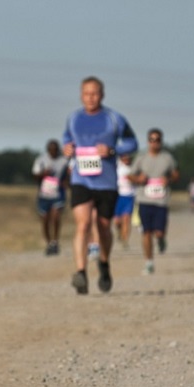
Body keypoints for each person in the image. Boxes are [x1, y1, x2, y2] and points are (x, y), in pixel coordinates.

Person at [63, 76, 138, 294]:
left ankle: (104, 264)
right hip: (81, 180)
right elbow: (66, 140)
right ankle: (81, 273)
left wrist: (113, 151)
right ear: (80, 95)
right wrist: (67, 148)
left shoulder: (114, 118)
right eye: (86, 93)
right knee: (83, 224)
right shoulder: (73, 118)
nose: (90, 98)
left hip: (106, 183)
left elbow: (132, 143)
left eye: (95, 93)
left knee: (104, 227)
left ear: (102, 95)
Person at [129, 128, 179, 275]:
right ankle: (149, 262)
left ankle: (161, 239)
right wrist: (138, 179)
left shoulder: (167, 158)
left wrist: (169, 179)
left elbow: (176, 174)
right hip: (144, 199)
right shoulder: (141, 158)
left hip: (161, 201)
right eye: (151, 139)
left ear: (161, 141)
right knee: (146, 232)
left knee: (158, 232)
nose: (154, 142)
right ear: (148, 141)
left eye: (157, 140)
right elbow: (130, 175)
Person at [31, 139, 70, 255]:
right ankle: (49, 243)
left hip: (58, 194)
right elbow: (34, 175)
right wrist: (44, 173)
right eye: (51, 150)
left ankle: (55, 241)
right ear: (48, 150)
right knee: (45, 220)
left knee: (56, 217)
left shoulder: (64, 160)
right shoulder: (41, 160)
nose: (54, 152)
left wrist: (66, 182)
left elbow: (69, 174)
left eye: (56, 150)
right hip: (44, 195)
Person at [112, 153, 136, 248]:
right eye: (124, 156)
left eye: (128, 156)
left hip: (130, 196)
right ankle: (119, 231)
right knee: (117, 221)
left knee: (126, 219)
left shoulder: (134, 167)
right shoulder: (116, 166)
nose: (126, 158)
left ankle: (125, 240)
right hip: (118, 196)